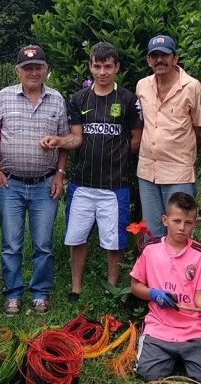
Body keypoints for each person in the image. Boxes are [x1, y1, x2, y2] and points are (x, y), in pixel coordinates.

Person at [44, 42, 142, 299]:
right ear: (90, 67)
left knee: (114, 241)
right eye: (97, 66)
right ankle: (75, 287)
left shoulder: (129, 100)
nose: (102, 72)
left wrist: (115, 156)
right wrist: (59, 141)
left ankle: (112, 287)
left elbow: (136, 139)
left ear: (117, 67)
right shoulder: (79, 99)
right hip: (82, 184)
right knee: (76, 238)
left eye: (107, 66)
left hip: (115, 184)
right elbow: (76, 138)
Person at [0, 44, 68, 316]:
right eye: (27, 68)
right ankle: (12, 294)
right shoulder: (3, 97)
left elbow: (65, 141)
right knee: (11, 243)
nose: (33, 72)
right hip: (9, 183)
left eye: (38, 67)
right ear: (18, 71)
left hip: (45, 183)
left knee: (43, 244)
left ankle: (40, 293)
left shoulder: (57, 99)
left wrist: (60, 173)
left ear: (46, 70)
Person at [130, 192, 201, 384]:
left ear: (194, 223)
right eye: (176, 221)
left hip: (194, 330)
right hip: (159, 327)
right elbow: (135, 286)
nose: (182, 228)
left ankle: (188, 358)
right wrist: (153, 293)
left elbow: (199, 294)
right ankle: (165, 358)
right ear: (165, 220)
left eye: (188, 223)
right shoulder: (150, 250)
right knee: (148, 376)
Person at [135, 34, 201, 238]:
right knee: (152, 233)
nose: (159, 60)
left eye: (164, 55)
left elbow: (199, 128)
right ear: (148, 60)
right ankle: (154, 271)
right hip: (148, 171)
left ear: (175, 58)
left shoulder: (192, 87)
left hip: (178, 172)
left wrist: (185, 154)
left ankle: (181, 271)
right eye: (154, 56)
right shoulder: (142, 86)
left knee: (179, 232)